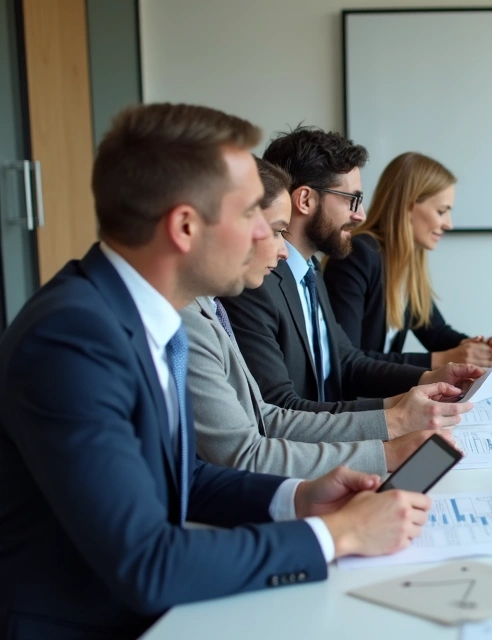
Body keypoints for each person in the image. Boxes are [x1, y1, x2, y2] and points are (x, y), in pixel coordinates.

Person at [0, 103, 432, 639]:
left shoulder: (145, 313)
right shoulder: (72, 340)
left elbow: (184, 479)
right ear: (184, 226)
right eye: (252, 213)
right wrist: (335, 535)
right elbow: (148, 562)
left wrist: (298, 498)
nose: (268, 236)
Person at [185, 158, 462, 479]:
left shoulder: (307, 272)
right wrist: (388, 442)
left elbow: (267, 415)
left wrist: (408, 400)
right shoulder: (234, 297)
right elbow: (254, 438)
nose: (360, 214)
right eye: (275, 231)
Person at [222, 126, 481, 411]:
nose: (361, 215)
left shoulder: (311, 271)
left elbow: (346, 362)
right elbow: (281, 409)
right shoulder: (257, 283)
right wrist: (398, 414)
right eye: (351, 200)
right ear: (306, 200)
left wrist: (429, 377)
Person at [325, 152, 492, 368]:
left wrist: (486, 349)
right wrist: (441, 360)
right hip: (357, 400)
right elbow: (348, 361)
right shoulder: (358, 255)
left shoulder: (405, 262)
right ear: (409, 206)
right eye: (442, 211)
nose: (448, 224)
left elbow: (436, 333)